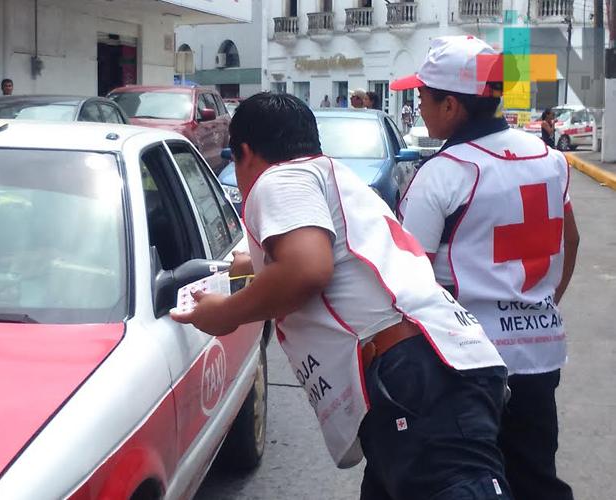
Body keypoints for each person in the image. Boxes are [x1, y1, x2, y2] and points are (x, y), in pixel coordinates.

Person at [172, 92, 513, 500]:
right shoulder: (330, 174)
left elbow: (306, 268)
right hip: (435, 365)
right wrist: (253, 263)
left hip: (414, 373)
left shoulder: (278, 178)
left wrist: (226, 313)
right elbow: (331, 253)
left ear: (244, 153)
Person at [394, 36, 579, 500]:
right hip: (540, 354)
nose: (419, 105)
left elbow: (405, 275)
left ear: (452, 105)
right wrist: (537, 304)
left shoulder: (444, 173)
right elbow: (570, 240)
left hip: (467, 366)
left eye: (423, 96)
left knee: (464, 482)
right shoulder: (550, 159)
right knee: (535, 477)